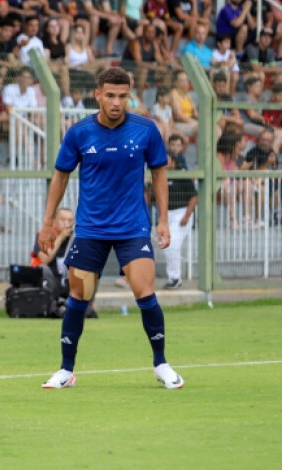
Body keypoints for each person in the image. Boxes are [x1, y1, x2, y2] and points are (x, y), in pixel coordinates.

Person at [39, 66, 183, 390]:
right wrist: (47, 222)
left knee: (145, 292)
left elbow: (159, 174)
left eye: (122, 96)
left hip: (133, 227)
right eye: (110, 96)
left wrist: (162, 219)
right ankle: (66, 370)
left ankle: (161, 364)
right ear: (98, 95)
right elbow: (60, 177)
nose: (116, 102)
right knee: (79, 296)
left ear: (129, 95)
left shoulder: (146, 130)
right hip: (91, 229)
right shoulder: (79, 133)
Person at [162, 135, 196, 290]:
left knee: (173, 244)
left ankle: (175, 278)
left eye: (167, 159)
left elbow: (194, 196)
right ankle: (173, 277)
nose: (164, 162)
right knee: (166, 246)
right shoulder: (160, 176)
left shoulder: (182, 173)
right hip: (166, 215)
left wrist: (187, 215)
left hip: (181, 213)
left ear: (174, 161)